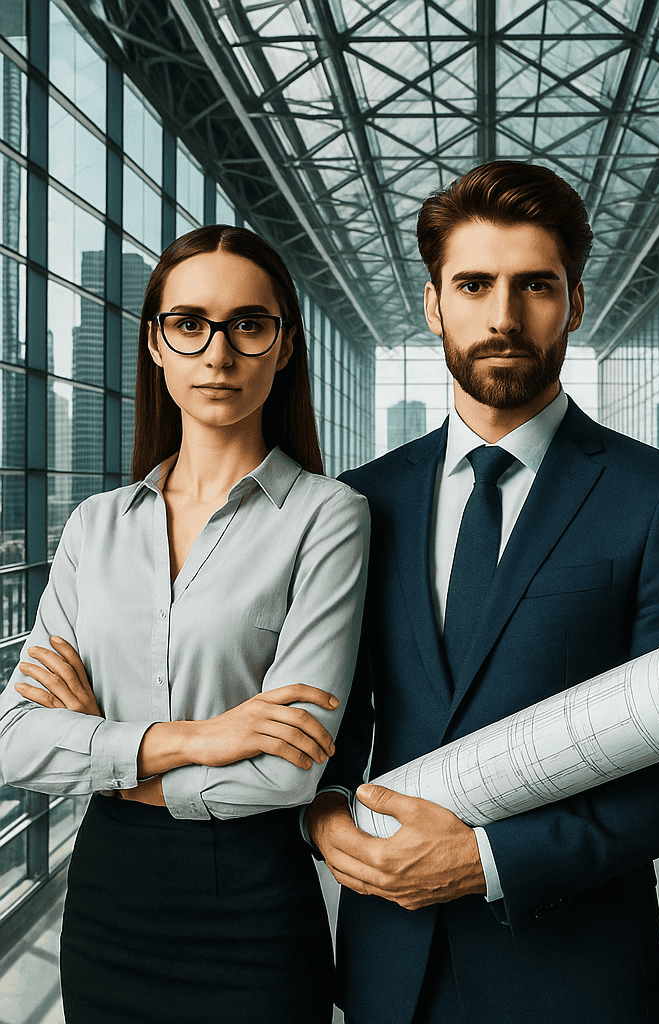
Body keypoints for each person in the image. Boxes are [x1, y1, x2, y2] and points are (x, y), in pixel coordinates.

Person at [302, 160, 659, 1024]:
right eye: (473, 284)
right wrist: (322, 816)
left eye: (534, 285)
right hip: (393, 974)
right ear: (433, 305)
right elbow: (330, 727)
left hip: (573, 976)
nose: (503, 317)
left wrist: (489, 861)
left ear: (574, 302)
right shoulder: (358, 503)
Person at [0, 225, 370, 1024]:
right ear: (156, 344)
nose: (218, 353)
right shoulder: (95, 527)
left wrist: (105, 744)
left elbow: (287, 772)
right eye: (189, 324)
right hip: (108, 905)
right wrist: (206, 737)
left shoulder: (328, 517)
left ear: (284, 345)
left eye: (248, 324)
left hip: (252, 907)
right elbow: (17, 740)